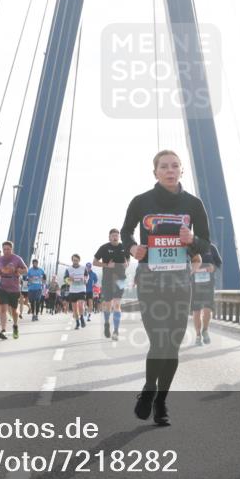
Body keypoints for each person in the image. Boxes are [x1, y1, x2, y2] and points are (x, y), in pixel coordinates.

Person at [122, 150, 209, 426]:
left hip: (181, 280)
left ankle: (161, 400)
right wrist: (133, 247)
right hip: (150, 279)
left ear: (182, 171)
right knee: (159, 340)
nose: (170, 170)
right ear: (155, 172)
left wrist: (193, 239)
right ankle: (149, 391)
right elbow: (126, 232)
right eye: (164, 166)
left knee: (173, 345)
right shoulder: (140, 201)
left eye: (175, 166)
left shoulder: (193, 204)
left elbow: (206, 243)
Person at [94, 228, 130, 339]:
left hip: (121, 280)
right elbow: (94, 262)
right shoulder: (104, 248)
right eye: (113, 235)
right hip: (107, 280)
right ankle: (106, 323)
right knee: (108, 305)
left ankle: (116, 331)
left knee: (117, 304)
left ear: (119, 237)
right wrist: (106, 265)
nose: (115, 237)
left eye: (117, 235)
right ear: (109, 237)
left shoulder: (124, 247)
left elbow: (128, 261)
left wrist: (126, 264)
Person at [191, 242, 222, 346]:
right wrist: (191, 269)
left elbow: (219, 263)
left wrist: (213, 268)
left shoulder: (212, 247)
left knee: (208, 310)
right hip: (195, 285)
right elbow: (184, 263)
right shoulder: (191, 247)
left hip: (209, 284)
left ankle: (205, 330)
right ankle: (198, 335)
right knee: (196, 312)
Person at [0, 241, 27, 339]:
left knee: (14, 311)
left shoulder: (17, 259)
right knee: (3, 309)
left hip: (14, 288)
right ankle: (3, 330)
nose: (6, 251)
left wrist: (18, 271)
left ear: (11, 249)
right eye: (4, 249)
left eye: (8, 249)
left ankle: (15, 325)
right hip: (2, 287)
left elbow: (26, 270)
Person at [64, 255, 89, 329]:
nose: (75, 262)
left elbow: (87, 276)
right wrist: (69, 280)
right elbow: (65, 279)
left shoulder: (83, 268)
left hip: (82, 289)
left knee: (81, 306)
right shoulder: (68, 269)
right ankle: (77, 322)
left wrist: (86, 280)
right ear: (72, 260)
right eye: (74, 260)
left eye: (77, 260)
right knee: (75, 309)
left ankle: (82, 318)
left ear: (79, 260)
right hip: (73, 290)